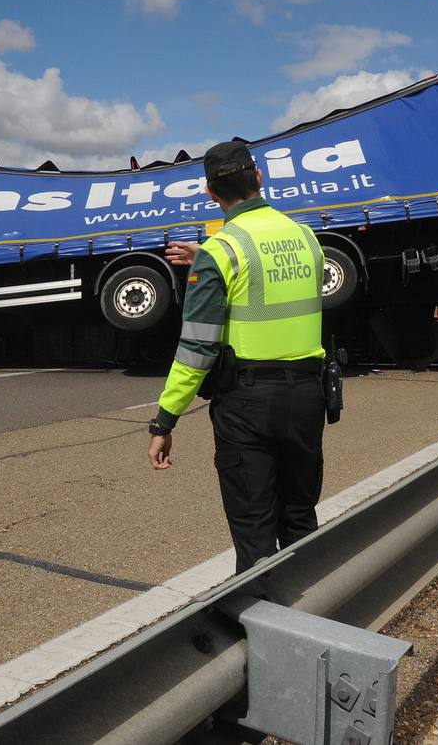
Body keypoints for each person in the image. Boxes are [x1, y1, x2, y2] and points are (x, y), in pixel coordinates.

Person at [148, 141, 328, 573]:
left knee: (255, 530)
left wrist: (164, 420)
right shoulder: (306, 237)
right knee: (300, 516)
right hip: (308, 395)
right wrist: (207, 260)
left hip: (248, 404)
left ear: (212, 194)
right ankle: (319, 610)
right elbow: (273, 280)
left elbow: (197, 347)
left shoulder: (221, 249)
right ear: (260, 178)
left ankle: (267, 623)